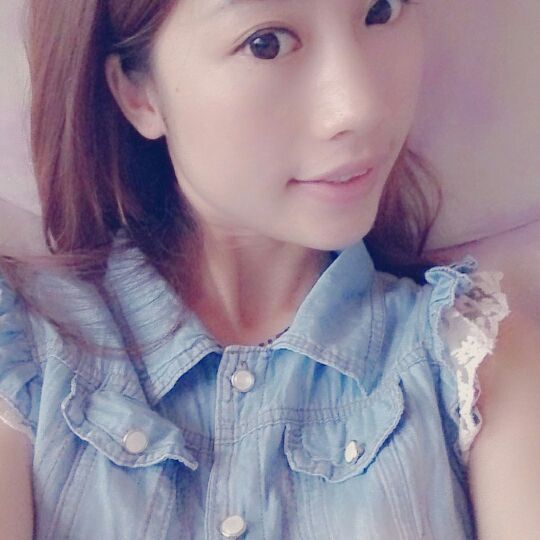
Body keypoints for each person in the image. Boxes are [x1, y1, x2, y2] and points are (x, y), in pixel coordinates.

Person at [0, 0, 532, 538]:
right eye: (266, 44)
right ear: (139, 93)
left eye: (380, 9)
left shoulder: (474, 360)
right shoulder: (23, 356)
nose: (359, 107)